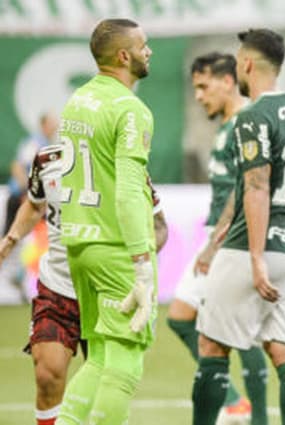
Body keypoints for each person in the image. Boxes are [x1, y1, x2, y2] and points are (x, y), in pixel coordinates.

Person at [192, 28, 285, 425]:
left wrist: (256, 257)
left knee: (211, 346)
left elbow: (257, 186)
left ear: (246, 63)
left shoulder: (252, 116)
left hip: (251, 246)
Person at [0, 144, 167, 425]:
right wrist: (11, 239)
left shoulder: (125, 165)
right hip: (58, 285)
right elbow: (34, 203)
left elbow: (159, 225)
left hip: (106, 289)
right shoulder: (47, 160)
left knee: (106, 383)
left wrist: (135, 264)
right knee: (47, 374)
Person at [54, 18, 158, 425]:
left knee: (98, 356)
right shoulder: (131, 109)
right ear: (123, 55)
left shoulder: (77, 99)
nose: (149, 51)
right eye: (143, 45)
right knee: (126, 362)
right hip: (116, 247)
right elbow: (130, 190)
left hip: (78, 242)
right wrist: (142, 264)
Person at [166, 52, 268, 425]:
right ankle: (235, 401)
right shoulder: (226, 127)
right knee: (182, 317)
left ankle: (255, 416)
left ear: (227, 81)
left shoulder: (246, 123)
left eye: (203, 86)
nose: (198, 96)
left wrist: (219, 242)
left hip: (234, 238)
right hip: (218, 235)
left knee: (244, 332)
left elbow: (250, 189)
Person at [2, 112, 58, 301]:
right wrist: (26, 191)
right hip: (21, 198)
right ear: (43, 125)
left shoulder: (46, 144)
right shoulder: (35, 143)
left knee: (32, 237)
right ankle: (19, 277)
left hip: (33, 199)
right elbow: (17, 166)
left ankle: (21, 277)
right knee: (12, 239)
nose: (55, 127)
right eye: (52, 123)